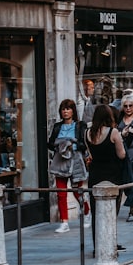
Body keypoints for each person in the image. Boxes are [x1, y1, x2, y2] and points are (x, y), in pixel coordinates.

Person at [86, 104, 127, 250]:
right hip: (112, 174)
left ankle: (98, 244)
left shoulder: (88, 133)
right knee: (111, 212)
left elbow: (90, 155)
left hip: (95, 174)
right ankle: (109, 244)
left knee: (95, 212)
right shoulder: (113, 132)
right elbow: (121, 154)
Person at [47, 98, 91, 233]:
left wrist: (73, 144)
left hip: (76, 159)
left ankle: (87, 212)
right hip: (60, 160)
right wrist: (60, 146)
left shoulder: (80, 125)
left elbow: (85, 143)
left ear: (73, 111)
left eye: (68, 108)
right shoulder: (57, 126)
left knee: (78, 191)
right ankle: (64, 222)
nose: (65, 111)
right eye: (63, 109)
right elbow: (50, 143)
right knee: (61, 192)